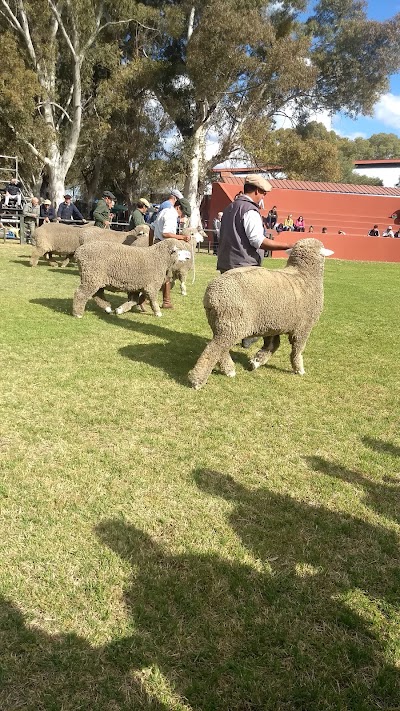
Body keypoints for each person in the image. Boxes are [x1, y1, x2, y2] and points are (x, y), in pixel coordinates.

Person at [217, 174, 295, 347]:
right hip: (245, 266)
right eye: (264, 194)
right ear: (258, 191)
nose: (263, 198)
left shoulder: (230, 208)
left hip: (226, 263)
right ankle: (248, 336)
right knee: (251, 306)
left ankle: (228, 337)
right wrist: (287, 246)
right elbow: (258, 241)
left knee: (232, 306)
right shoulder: (250, 211)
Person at [150, 196, 192, 308]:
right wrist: (182, 237)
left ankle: (166, 301)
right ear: (178, 207)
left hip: (157, 244)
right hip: (164, 246)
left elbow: (152, 228)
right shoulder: (172, 215)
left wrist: (150, 246)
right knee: (161, 275)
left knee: (164, 274)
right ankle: (142, 300)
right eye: (183, 213)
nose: (182, 216)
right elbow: (166, 233)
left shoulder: (164, 211)